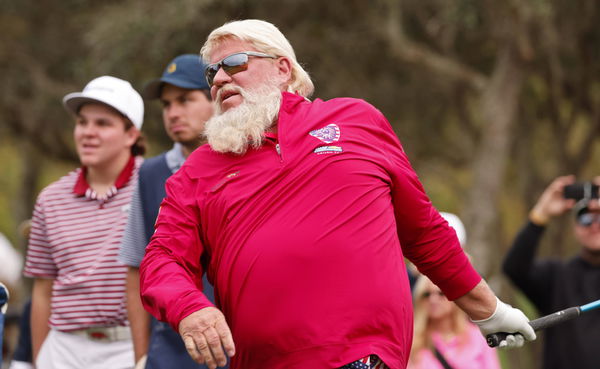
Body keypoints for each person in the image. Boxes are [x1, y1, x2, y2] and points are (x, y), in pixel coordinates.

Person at [139, 19, 536, 369]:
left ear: (282, 69)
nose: (220, 79)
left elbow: (426, 233)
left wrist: (490, 312)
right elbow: (162, 261)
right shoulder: (198, 169)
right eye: (211, 74)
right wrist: (190, 308)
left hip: (364, 356)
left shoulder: (356, 120)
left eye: (234, 63)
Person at [23, 75, 144, 369]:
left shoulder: (153, 185)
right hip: (64, 350)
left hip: (128, 347)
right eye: (82, 122)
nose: (88, 132)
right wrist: (41, 360)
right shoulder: (50, 199)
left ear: (131, 135)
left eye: (103, 124)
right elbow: (42, 290)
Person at [118, 54, 219, 369]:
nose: (174, 113)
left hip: (237, 346)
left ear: (216, 98)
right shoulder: (149, 173)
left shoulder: (246, 166)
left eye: (185, 100)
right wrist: (141, 356)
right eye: (166, 105)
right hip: (172, 353)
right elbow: (136, 269)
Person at [503, 175, 600, 369]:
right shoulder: (556, 275)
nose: (595, 225)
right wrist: (541, 213)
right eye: (586, 218)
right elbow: (515, 268)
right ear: (575, 227)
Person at [408, 276, 501, 369]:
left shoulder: (478, 337)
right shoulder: (412, 343)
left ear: (455, 297)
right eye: (427, 294)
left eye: (441, 293)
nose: (433, 300)